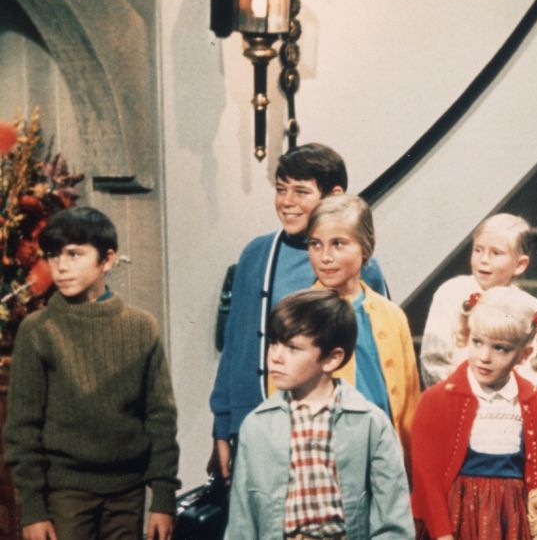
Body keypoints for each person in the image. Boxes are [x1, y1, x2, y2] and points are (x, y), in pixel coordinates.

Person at [209, 142, 390, 480]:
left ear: (334, 194)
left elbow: (376, 360)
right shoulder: (256, 255)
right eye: (281, 190)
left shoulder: (360, 268)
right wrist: (223, 424)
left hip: (330, 435)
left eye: (301, 191)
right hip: (257, 425)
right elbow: (235, 347)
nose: (286, 202)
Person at [4, 207, 179, 540]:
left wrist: (164, 498)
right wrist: (33, 510)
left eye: (74, 254)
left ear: (107, 260)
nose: (61, 266)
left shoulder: (141, 327)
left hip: (129, 492)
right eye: (53, 256)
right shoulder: (38, 330)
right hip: (64, 495)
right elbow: (22, 429)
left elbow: (161, 417)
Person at [226, 288, 413, 539]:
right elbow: (242, 523)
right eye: (273, 343)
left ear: (332, 359)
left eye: (293, 348)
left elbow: (393, 522)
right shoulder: (257, 426)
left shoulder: (371, 424)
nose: (276, 357)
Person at [411, 286, 537, 540]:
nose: (484, 357)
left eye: (501, 348)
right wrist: (442, 534)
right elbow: (426, 478)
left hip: (513, 519)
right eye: (477, 342)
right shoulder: (437, 400)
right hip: (456, 519)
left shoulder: (535, 402)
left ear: (524, 354)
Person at [307, 194, 421, 449]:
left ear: (365, 247)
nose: (325, 256)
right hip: (324, 457)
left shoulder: (392, 316)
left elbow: (410, 403)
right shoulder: (298, 315)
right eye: (315, 244)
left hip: (385, 452)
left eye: (338, 244)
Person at [420, 213, 537, 395]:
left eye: (496, 253)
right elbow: (434, 358)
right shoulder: (450, 293)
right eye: (478, 250)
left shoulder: (532, 308)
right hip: (454, 399)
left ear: (520, 264)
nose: (483, 259)